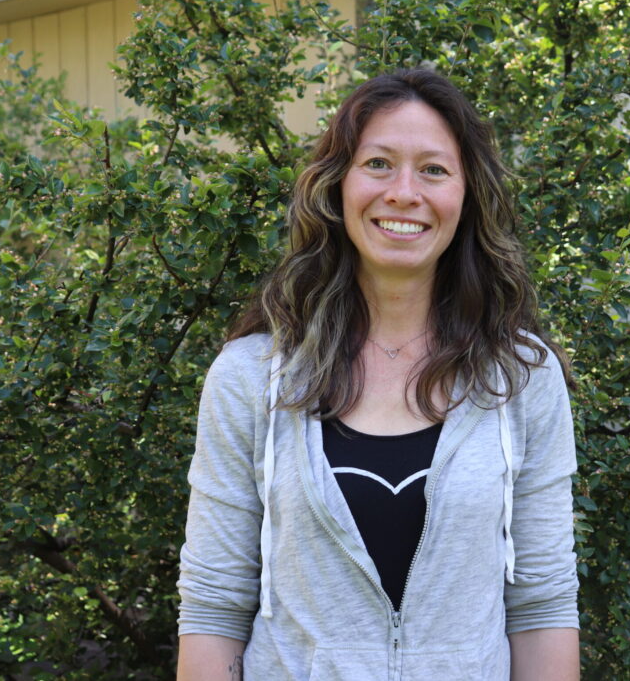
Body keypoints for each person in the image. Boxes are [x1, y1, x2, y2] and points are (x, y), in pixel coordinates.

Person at [176, 69, 580, 680]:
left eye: (434, 170)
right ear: (338, 185)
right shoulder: (251, 376)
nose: (404, 192)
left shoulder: (521, 377)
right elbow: (215, 601)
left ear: (466, 195)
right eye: (379, 164)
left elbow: (542, 600)